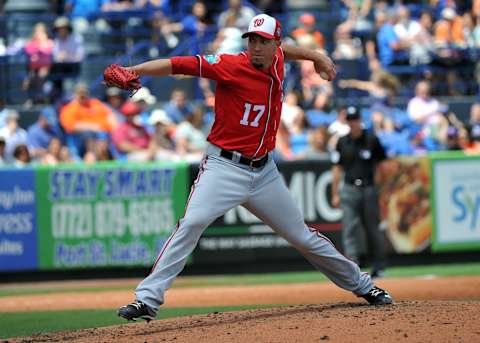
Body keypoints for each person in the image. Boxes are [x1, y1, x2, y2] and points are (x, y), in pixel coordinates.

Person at [115, 13, 392, 322]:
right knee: (191, 224)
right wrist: (133, 70)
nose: (256, 47)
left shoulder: (277, 59)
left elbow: (289, 50)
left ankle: (365, 286)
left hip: (264, 173)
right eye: (252, 41)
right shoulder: (230, 65)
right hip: (224, 167)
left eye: (263, 42)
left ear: (275, 44)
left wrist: (316, 56)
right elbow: (179, 64)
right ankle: (147, 300)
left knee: (302, 236)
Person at [330, 106, 388, 278]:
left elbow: (382, 165)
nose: (353, 122)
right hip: (349, 188)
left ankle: (378, 266)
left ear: (360, 120)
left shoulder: (371, 139)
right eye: (350, 119)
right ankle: (353, 267)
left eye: (355, 119)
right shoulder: (342, 141)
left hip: (369, 188)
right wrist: (335, 193)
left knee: (372, 229)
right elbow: (337, 168)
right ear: (346, 121)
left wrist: (381, 188)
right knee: (350, 228)